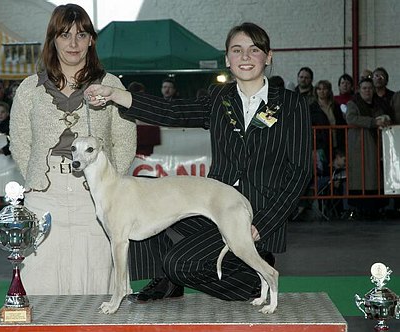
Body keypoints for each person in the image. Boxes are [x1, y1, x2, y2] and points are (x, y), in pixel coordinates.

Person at [85, 22, 312, 303]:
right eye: (237, 50)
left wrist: (264, 223)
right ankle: (168, 282)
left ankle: (248, 278)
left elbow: (300, 170)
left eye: (254, 50)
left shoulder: (291, 104)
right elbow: (171, 111)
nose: (245, 57)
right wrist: (117, 95)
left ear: (268, 56)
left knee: (180, 263)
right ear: (227, 59)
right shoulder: (219, 98)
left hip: (259, 211)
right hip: (214, 203)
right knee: (147, 208)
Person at [9, 4, 136, 295]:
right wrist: (37, 178)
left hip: (95, 198)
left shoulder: (112, 85)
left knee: (97, 278)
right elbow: (20, 139)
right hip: (44, 198)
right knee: (41, 280)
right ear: (53, 39)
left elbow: (125, 139)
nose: (73, 44)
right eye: (65, 35)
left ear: (91, 39)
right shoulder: (30, 88)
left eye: (81, 35)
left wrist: (109, 182)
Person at [345, 77, 390, 219]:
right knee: (362, 177)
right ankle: (361, 209)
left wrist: (385, 119)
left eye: (370, 88)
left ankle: (376, 208)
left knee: (375, 176)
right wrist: (373, 122)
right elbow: (351, 118)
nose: (367, 91)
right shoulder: (353, 104)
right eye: (364, 88)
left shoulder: (379, 104)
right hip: (360, 145)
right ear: (359, 89)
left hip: (376, 144)